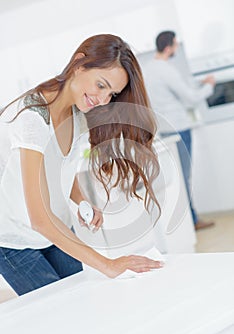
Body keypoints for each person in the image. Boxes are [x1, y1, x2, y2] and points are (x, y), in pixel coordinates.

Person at [0, 34, 163, 296]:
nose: (103, 99)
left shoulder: (78, 113)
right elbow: (39, 220)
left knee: (83, 300)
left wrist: (82, 200)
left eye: (111, 93)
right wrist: (109, 265)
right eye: (101, 85)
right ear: (79, 63)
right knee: (59, 311)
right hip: (14, 241)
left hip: (56, 230)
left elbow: (60, 164)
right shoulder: (32, 118)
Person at [142, 30, 215, 231]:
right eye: (175, 45)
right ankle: (191, 222)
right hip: (179, 128)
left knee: (177, 176)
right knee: (184, 176)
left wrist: (197, 83)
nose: (176, 48)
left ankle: (188, 222)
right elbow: (190, 98)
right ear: (168, 47)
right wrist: (209, 87)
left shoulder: (149, 69)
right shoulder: (166, 69)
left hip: (164, 129)